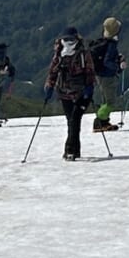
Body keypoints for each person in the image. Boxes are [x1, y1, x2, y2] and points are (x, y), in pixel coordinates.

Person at [44, 27, 96, 161]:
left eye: (71, 39)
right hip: (64, 93)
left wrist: (89, 86)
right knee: (72, 121)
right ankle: (75, 150)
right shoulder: (59, 54)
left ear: (76, 39)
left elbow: (90, 71)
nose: (68, 42)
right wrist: (49, 85)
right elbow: (53, 72)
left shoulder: (83, 54)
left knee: (74, 120)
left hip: (81, 93)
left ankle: (69, 150)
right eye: (66, 39)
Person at [89, 16, 126, 132]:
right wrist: (118, 66)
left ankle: (104, 121)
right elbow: (107, 61)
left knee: (105, 99)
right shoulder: (111, 44)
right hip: (107, 76)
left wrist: (118, 58)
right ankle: (99, 120)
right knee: (111, 102)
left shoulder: (104, 42)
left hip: (100, 75)